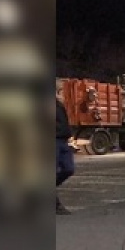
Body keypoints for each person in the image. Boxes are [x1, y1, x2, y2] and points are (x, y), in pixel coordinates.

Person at [56, 85, 75, 215]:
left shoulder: (59, 105)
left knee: (69, 169)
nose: (62, 93)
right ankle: (56, 205)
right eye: (60, 91)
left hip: (63, 141)